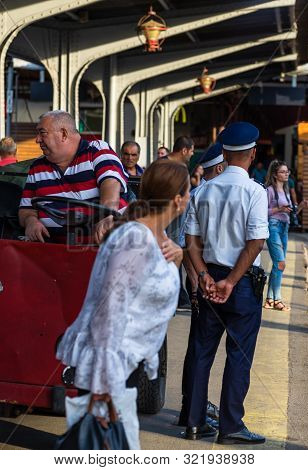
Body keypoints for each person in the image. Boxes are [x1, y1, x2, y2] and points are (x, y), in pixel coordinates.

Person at [56, 159, 190, 449]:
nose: (191, 198)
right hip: (110, 371)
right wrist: (104, 387)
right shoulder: (136, 238)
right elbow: (109, 308)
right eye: (188, 192)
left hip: (124, 368)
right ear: (178, 199)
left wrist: (177, 258)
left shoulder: (155, 234)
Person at [182, 121, 269, 444]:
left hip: (209, 279)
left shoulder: (203, 191)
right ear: (252, 154)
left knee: (202, 351)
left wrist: (204, 275)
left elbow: (190, 239)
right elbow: (256, 242)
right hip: (241, 284)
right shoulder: (254, 192)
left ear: (226, 155)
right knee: (239, 354)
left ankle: (194, 423)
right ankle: (230, 426)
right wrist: (231, 282)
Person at [18, 111, 127, 244]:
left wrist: (108, 214)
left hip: (99, 249)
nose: (37, 139)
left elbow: (111, 182)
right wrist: (31, 222)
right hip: (52, 251)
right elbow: (26, 209)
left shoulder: (96, 150)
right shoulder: (37, 167)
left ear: (63, 134)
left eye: (43, 133)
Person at [179, 142, 226, 429]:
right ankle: (190, 410)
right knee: (199, 349)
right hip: (202, 278)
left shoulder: (203, 194)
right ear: (220, 167)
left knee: (198, 348)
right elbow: (188, 246)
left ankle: (192, 407)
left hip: (202, 277)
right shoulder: (201, 195)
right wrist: (196, 284)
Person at [264, 160, 308, 311]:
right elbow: (263, 212)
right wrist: (279, 209)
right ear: (276, 175)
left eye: (287, 171)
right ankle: (278, 300)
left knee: (278, 265)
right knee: (280, 264)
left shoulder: (286, 191)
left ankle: (269, 300)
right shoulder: (269, 190)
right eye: (283, 172)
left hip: (284, 228)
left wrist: (301, 206)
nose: (286, 174)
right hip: (273, 227)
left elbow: (291, 213)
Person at [164, 136, 195, 310]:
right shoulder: (171, 168)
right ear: (184, 150)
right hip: (168, 226)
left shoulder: (175, 167)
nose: (191, 154)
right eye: (191, 151)